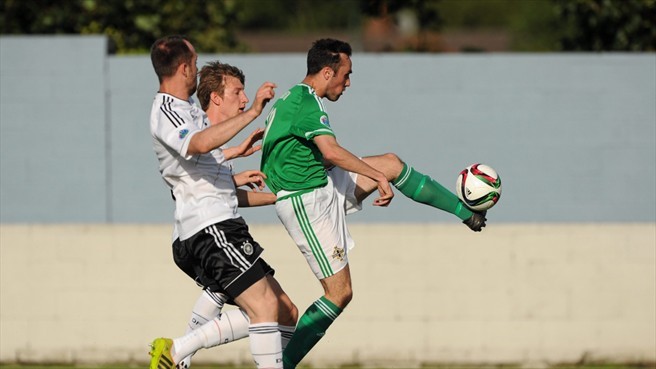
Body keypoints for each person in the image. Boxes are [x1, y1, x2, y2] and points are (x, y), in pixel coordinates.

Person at [259, 38, 487, 369]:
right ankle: (281, 365)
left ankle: (467, 213)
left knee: (392, 163)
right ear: (327, 71)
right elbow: (332, 152)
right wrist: (375, 178)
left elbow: (291, 147)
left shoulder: (296, 99)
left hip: (321, 184)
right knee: (339, 293)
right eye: (346, 74)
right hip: (306, 202)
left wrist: (380, 173)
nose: (348, 83)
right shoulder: (305, 103)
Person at [147, 35, 294, 369]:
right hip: (209, 227)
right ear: (184, 68)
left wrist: (279, 192)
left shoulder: (188, 112)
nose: (198, 68)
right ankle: (179, 351)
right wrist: (254, 112)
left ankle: (180, 351)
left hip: (220, 226)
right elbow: (196, 145)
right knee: (265, 309)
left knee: (285, 312)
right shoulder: (167, 111)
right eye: (195, 62)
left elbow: (208, 162)